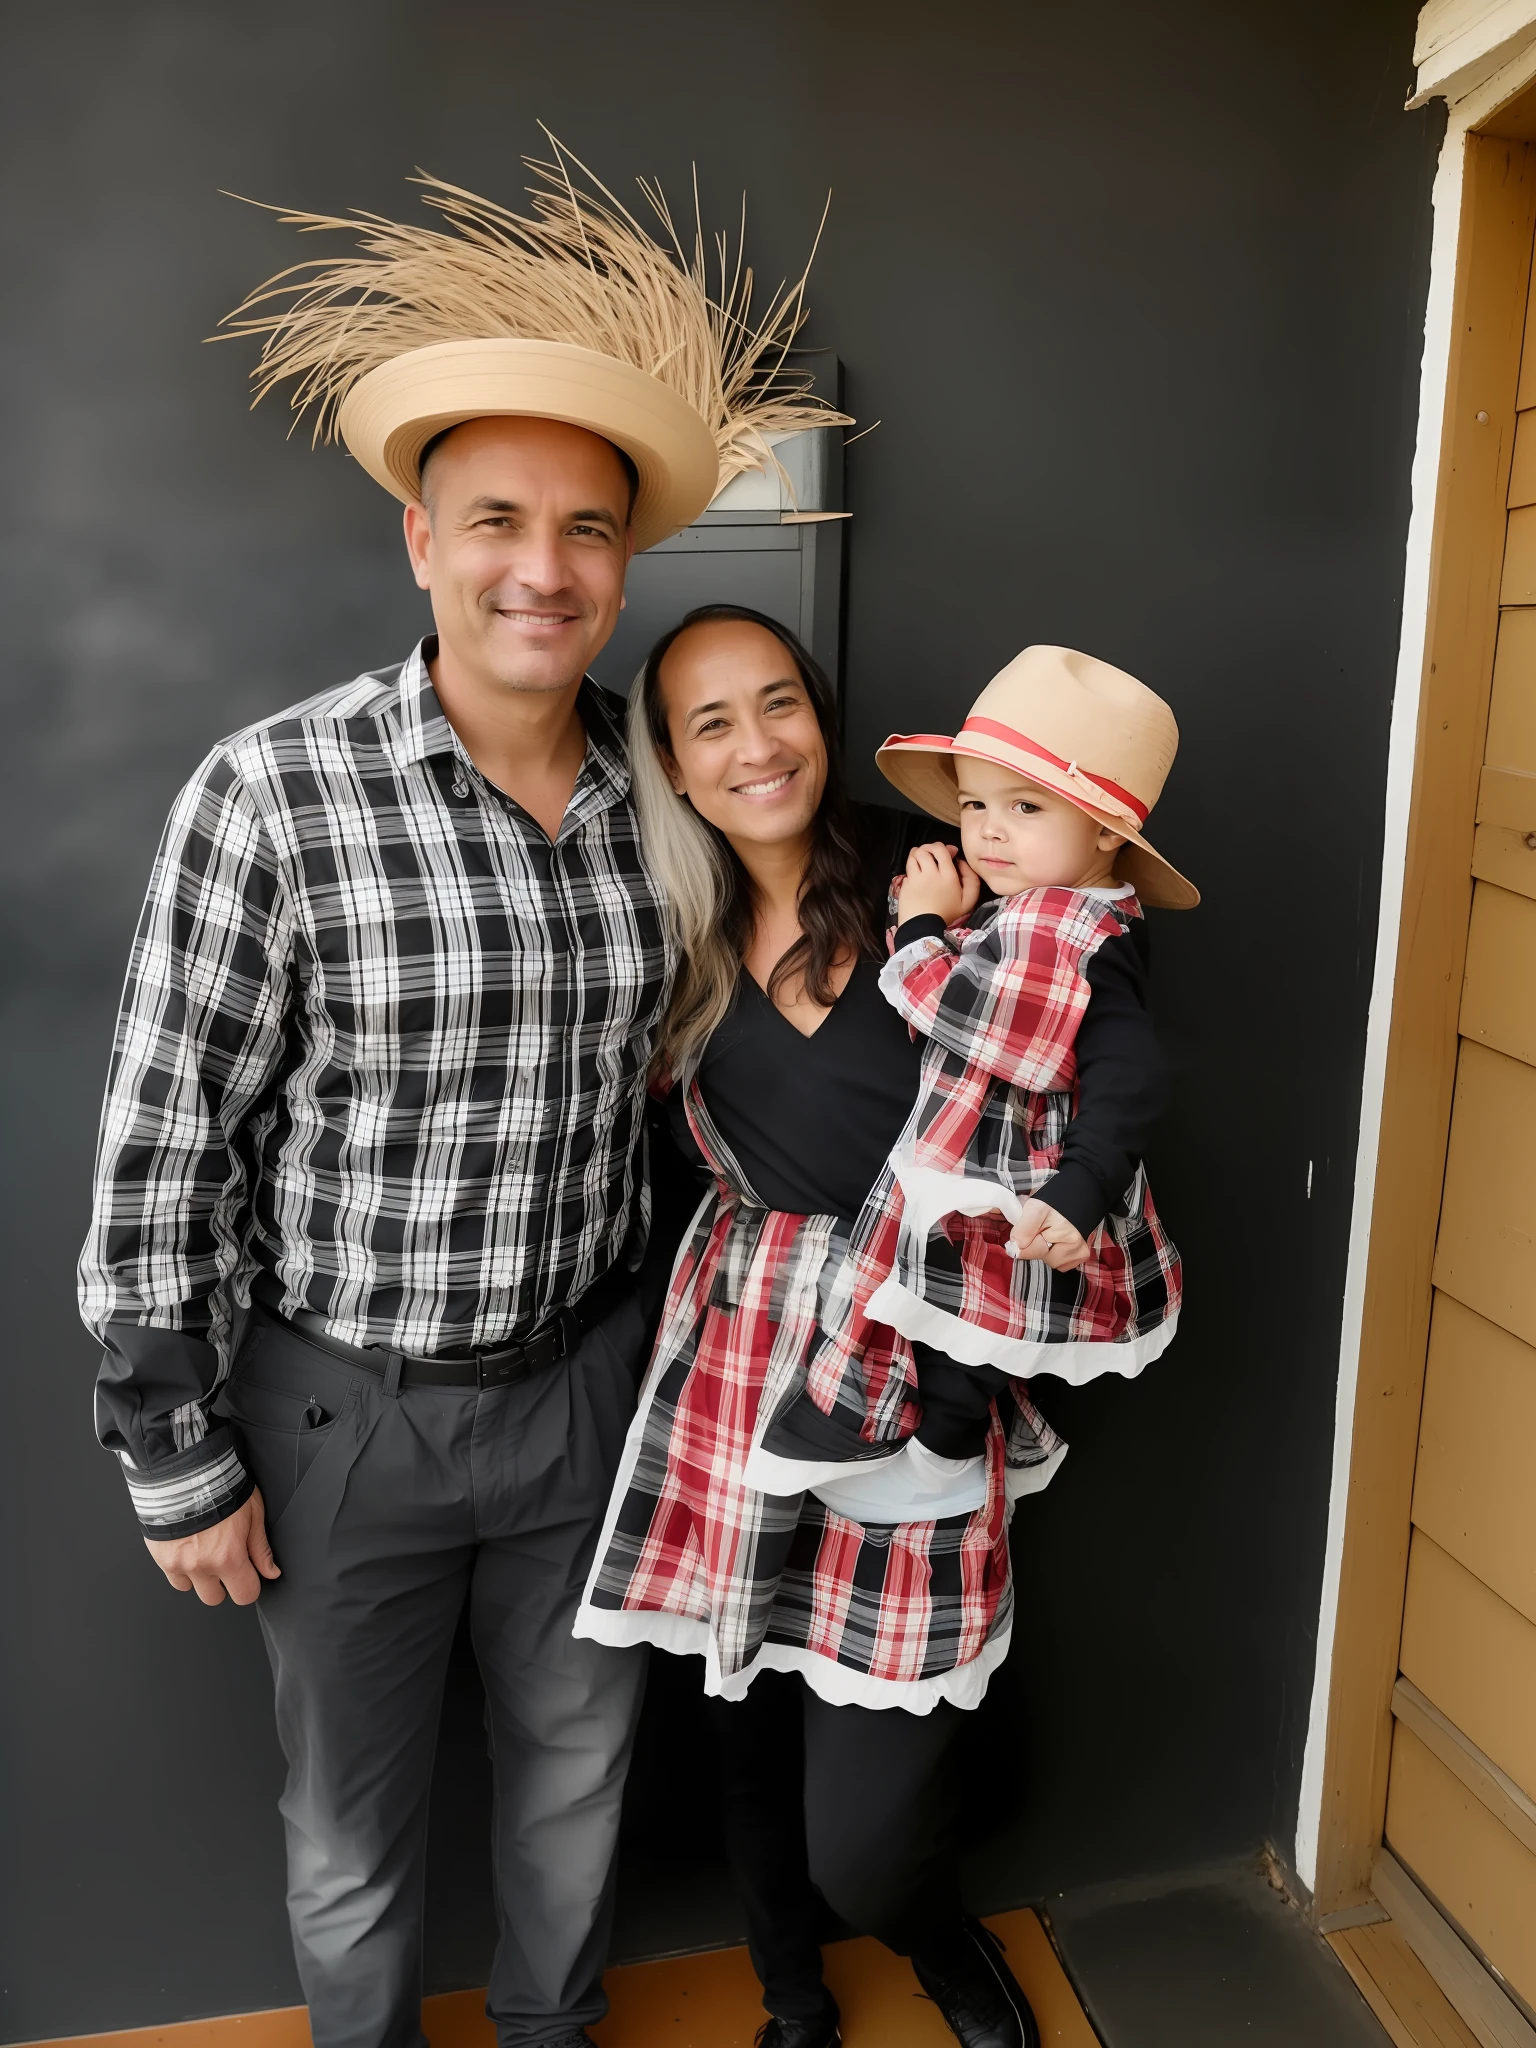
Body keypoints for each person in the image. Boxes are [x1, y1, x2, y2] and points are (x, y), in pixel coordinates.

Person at [77, 150, 846, 2048]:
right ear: (421, 541)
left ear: (625, 563)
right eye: (497, 517)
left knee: (575, 1796)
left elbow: (796, 947)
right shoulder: (271, 793)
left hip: (590, 1396)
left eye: (588, 530)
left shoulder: (662, 796)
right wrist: (172, 1445)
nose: (544, 566)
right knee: (347, 1837)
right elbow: (165, 1140)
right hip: (339, 1412)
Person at [577, 608, 1169, 2048]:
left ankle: (929, 1931)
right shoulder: (663, 917)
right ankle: (791, 1994)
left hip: (919, 1351)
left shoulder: (948, 881)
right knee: (739, 1727)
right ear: (670, 756)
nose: (754, 744)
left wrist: (974, 1352)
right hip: (738, 1349)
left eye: (778, 704)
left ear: (821, 716)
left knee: (869, 1807)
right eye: (710, 721)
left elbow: (1065, 1099)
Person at [744, 643, 1193, 1522]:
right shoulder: (1026, 911)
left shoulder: (1083, 931)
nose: (986, 830)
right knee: (945, 1319)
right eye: (975, 803)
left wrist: (918, 927)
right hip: (974, 1167)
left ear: (1106, 831)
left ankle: (942, 1455)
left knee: (979, 1331)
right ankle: (897, 1439)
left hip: (1024, 1185)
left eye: (1024, 807)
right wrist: (948, 916)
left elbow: (1109, 1067)